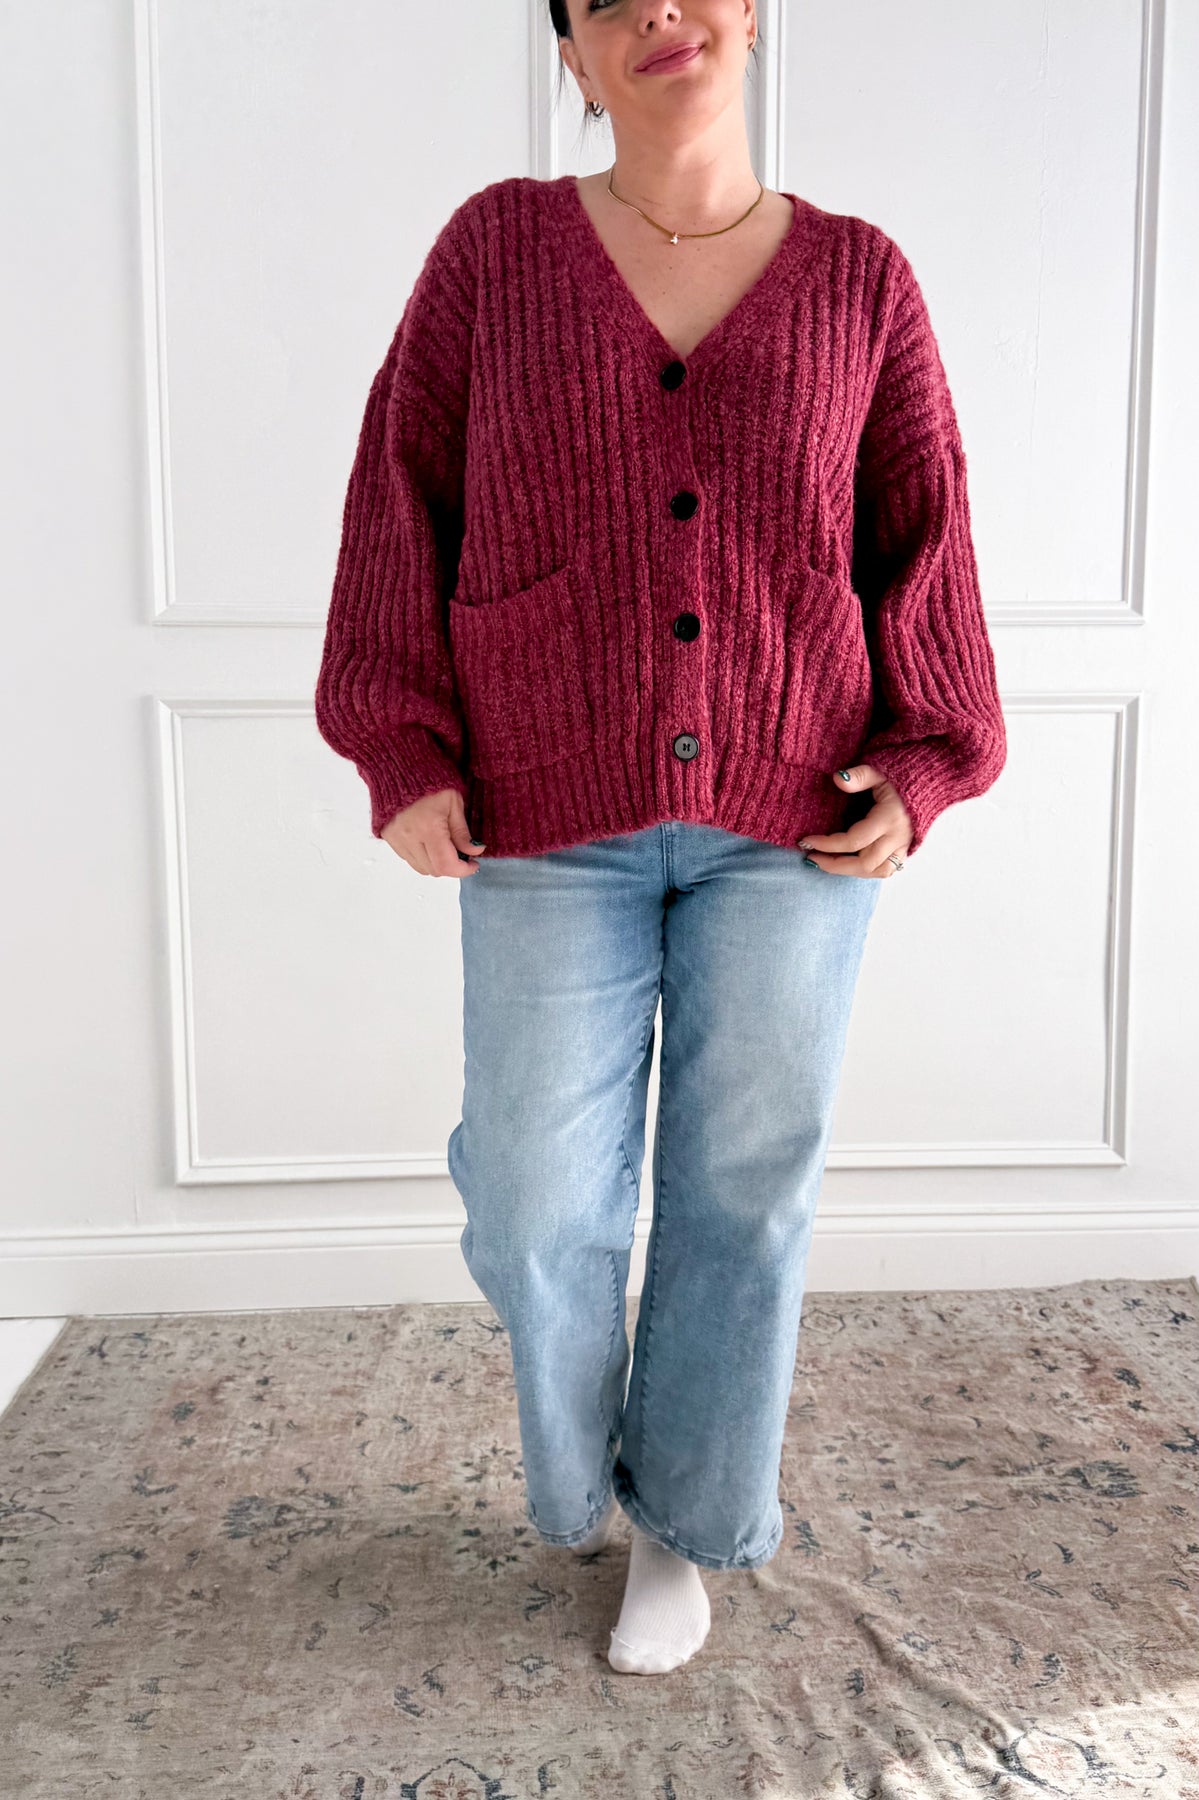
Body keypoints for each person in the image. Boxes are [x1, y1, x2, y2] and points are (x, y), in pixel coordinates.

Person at [314, 0, 1006, 1678]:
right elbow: (400, 492)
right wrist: (400, 747)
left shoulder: (860, 278)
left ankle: (680, 1523)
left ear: (752, 12)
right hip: (547, 809)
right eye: (608, 1)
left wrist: (926, 765)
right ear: (572, 52)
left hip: (796, 820)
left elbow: (923, 535)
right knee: (537, 1201)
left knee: (742, 1194)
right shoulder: (496, 252)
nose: (658, 15)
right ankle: (580, 1463)